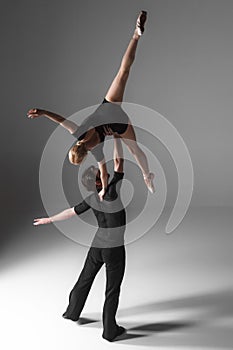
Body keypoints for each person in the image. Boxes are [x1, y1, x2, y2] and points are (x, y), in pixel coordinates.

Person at [27, 10, 155, 200]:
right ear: (76, 147)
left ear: (84, 156)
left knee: (135, 150)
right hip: (109, 107)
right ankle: (136, 35)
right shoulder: (79, 133)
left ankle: (147, 176)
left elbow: (104, 174)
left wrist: (103, 190)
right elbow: (61, 120)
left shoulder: (96, 152)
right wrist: (43, 112)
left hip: (119, 123)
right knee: (123, 72)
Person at [34, 137, 127, 342]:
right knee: (112, 289)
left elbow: (70, 212)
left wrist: (49, 219)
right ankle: (110, 330)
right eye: (101, 173)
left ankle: (72, 312)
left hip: (97, 245)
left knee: (85, 278)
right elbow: (119, 162)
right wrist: (117, 137)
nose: (105, 172)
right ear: (99, 181)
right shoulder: (110, 191)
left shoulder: (92, 198)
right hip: (113, 248)